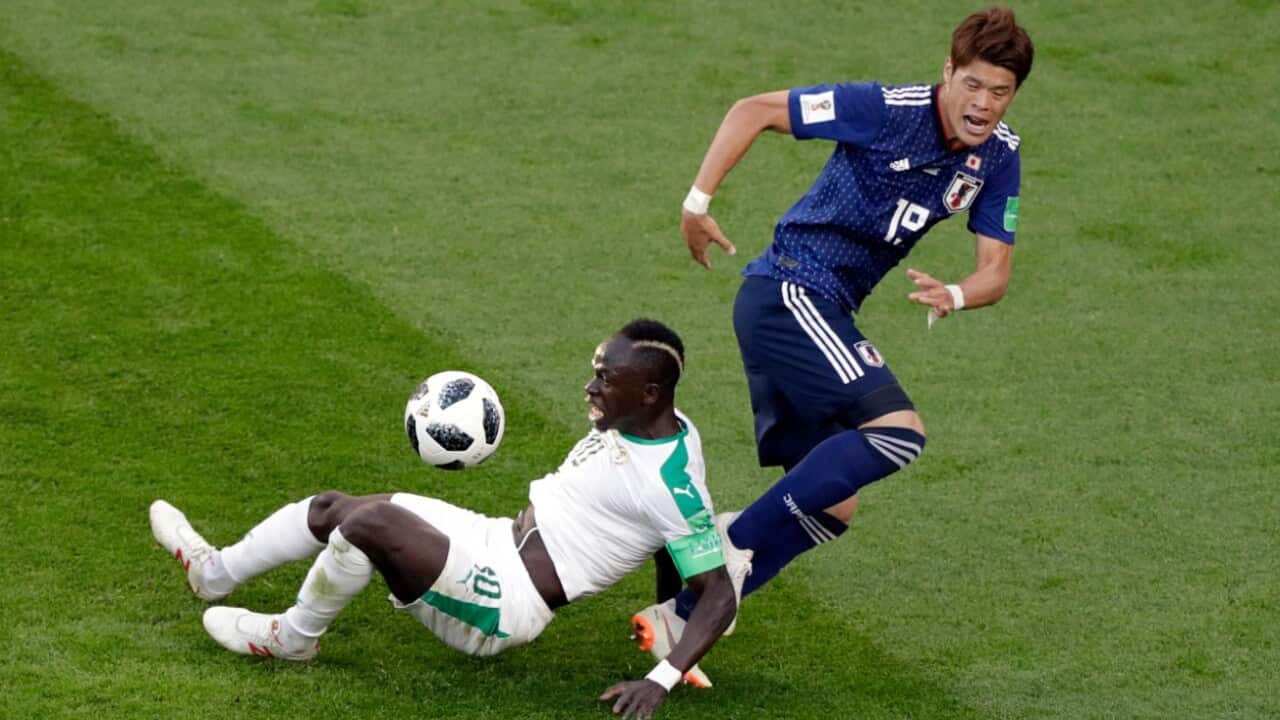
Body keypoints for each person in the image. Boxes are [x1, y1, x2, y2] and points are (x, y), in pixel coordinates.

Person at [632, 6, 1034, 677]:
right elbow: (752, 109)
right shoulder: (883, 109)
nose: (983, 104)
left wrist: (957, 293)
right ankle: (728, 546)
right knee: (898, 433)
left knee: (833, 504)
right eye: (972, 84)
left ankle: (677, 617)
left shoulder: (999, 158)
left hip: (819, 312)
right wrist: (697, 203)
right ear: (948, 72)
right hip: (789, 292)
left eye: (999, 92)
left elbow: (996, 271)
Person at [150, 319, 739, 719]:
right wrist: (667, 620)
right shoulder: (641, 419)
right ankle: (213, 573)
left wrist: (662, 677)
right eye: (596, 370)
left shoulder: (671, 483)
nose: (591, 387)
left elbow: (718, 592)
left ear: (652, 392)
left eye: (606, 379)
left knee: (371, 525)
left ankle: (291, 639)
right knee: (335, 508)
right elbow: (669, 547)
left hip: (507, 602)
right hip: (495, 539)